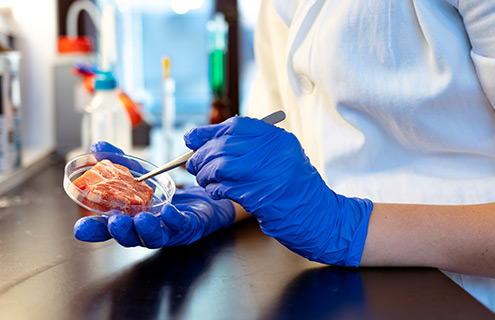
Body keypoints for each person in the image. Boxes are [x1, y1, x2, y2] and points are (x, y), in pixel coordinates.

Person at [74, 0, 495, 279]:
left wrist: (345, 225)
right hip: (329, 282)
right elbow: (288, 128)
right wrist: (229, 196)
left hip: (465, 287)